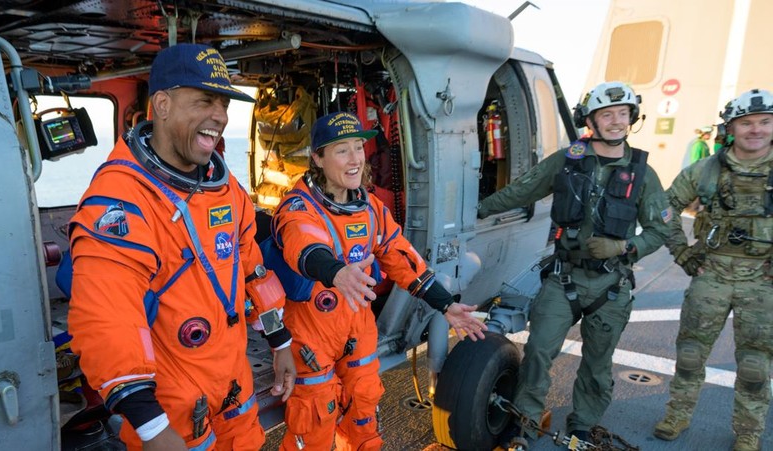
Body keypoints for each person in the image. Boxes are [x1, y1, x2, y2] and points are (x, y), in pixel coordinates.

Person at [67, 43, 296, 450]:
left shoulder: (227, 191)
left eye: (224, 104)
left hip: (233, 380)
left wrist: (280, 343)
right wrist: (153, 429)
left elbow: (253, 271)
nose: (220, 116)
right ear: (163, 105)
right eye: (204, 101)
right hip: (169, 402)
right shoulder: (120, 199)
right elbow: (107, 319)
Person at [265, 111, 488, 450]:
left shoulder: (370, 209)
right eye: (342, 150)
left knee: (364, 413)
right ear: (318, 158)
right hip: (312, 334)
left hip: (358, 330)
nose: (355, 159)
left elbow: (401, 257)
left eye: (358, 147)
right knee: (315, 422)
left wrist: (446, 305)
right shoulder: (297, 208)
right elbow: (305, 245)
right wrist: (337, 272)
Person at [478, 81, 671, 442]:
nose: (616, 121)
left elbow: (661, 231)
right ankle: (527, 420)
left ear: (633, 118)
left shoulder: (643, 173)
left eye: (623, 114)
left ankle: (583, 422)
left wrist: (623, 248)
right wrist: (477, 211)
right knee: (537, 352)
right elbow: (523, 190)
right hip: (564, 278)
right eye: (607, 114)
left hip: (610, 284)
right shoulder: (569, 160)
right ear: (591, 120)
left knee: (597, 365)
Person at [653, 88, 773, 451]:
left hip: (762, 283)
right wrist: (682, 252)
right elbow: (663, 208)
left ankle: (748, 432)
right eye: (746, 122)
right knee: (690, 355)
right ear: (731, 128)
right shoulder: (705, 170)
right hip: (712, 276)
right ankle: (677, 414)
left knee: (754, 366)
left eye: (765, 122)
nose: (756, 130)